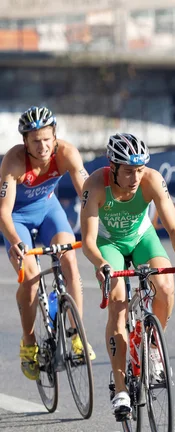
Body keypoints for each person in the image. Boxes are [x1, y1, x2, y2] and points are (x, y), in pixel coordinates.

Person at [80, 133, 175, 421]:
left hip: (141, 237)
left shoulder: (152, 180)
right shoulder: (95, 185)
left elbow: (172, 227)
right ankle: (121, 389)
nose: (136, 177)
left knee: (165, 286)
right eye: (129, 171)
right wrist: (101, 264)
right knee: (118, 302)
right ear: (113, 166)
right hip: (109, 246)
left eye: (140, 169)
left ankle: (154, 348)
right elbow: (88, 241)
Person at [0, 105, 95, 381]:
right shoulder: (14, 162)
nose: (42, 146)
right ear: (25, 142)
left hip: (48, 212)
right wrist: (16, 242)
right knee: (29, 278)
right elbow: (4, 212)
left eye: (46, 139)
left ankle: (77, 336)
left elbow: (87, 194)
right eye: (35, 141)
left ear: (55, 136)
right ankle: (29, 343)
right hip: (17, 219)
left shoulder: (67, 153)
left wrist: (97, 227)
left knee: (70, 261)